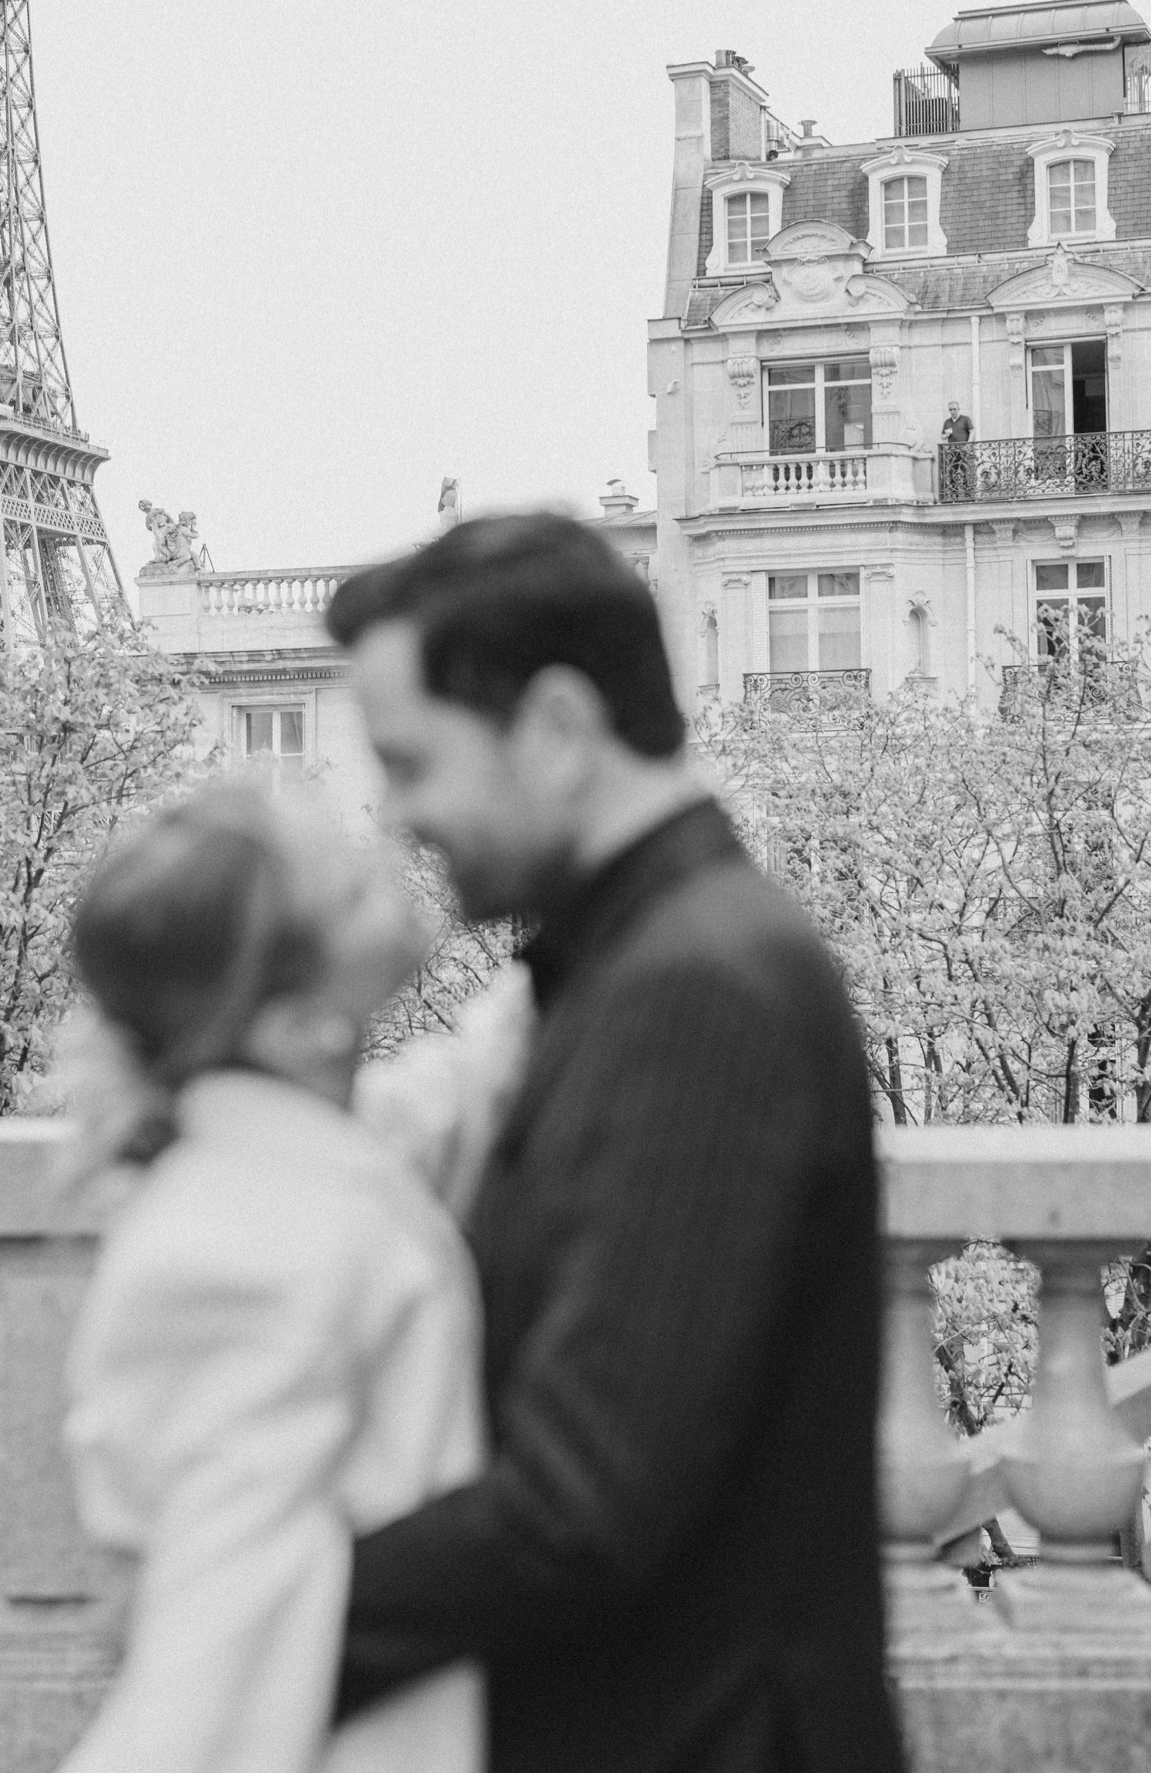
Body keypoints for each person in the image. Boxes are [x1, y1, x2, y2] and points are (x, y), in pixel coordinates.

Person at [325, 512, 904, 1773]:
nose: (398, 812)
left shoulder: (693, 990)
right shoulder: (664, 956)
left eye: (412, 759)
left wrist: (256, 1619)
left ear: (558, 728)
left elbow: (580, 1506)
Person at [58, 784, 488, 1773]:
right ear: (299, 1024)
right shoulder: (233, 1254)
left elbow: (414, 1116)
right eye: (348, 890)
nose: (388, 860)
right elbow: (214, 1667)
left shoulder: (282, 1165)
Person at [941, 398, 974, 498]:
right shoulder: (947, 422)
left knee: (965, 471)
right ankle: (954, 496)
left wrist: (968, 444)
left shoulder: (965, 419)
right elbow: (942, 436)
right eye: (950, 410)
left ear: (959, 409)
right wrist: (946, 435)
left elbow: (972, 431)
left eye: (954, 409)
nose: (953, 412)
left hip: (963, 450)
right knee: (952, 472)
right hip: (952, 451)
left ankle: (968, 496)